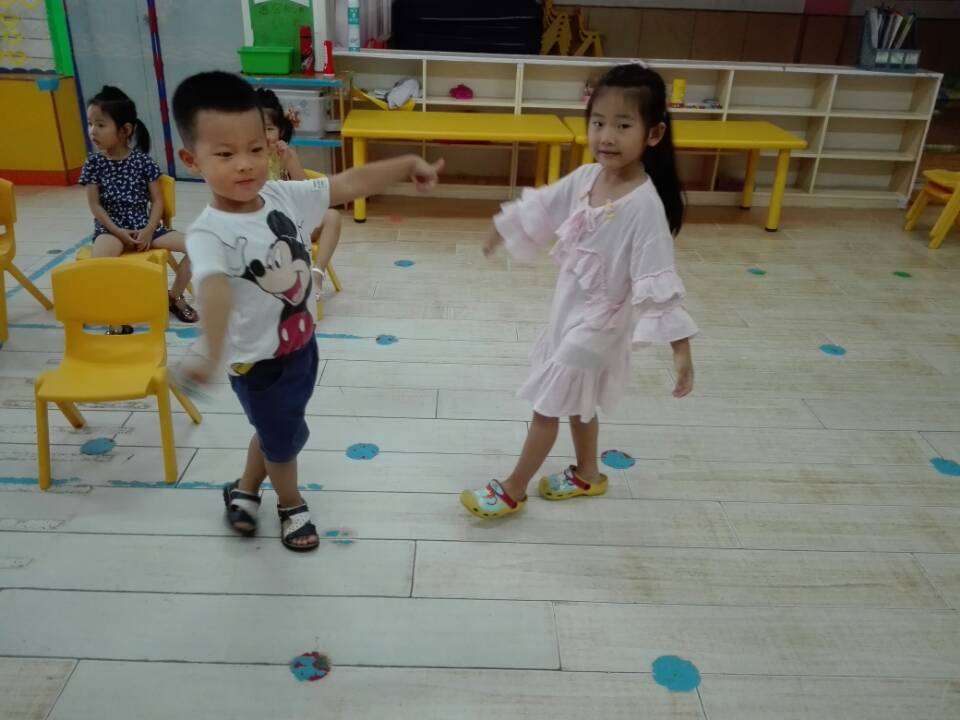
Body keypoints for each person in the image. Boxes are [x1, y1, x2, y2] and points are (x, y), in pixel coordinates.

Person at [173, 71, 443, 551]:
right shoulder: (208, 233)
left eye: (256, 149)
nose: (245, 164)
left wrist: (406, 162)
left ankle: (244, 489)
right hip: (259, 365)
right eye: (225, 154)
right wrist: (209, 354)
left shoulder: (280, 195)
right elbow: (212, 291)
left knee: (276, 430)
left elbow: (346, 183)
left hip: (301, 347)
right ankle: (291, 505)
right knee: (283, 441)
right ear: (191, 160)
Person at [461, 64, 698, 519]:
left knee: (549, 402)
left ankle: (513, 488)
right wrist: (500, 231)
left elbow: (658, 278)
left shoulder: (645, 207)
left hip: (602, 323)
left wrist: (680, 350)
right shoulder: (588, 177)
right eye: (598, 122)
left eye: (623, 126)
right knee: (578, 397)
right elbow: (544, 204)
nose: (606, 136)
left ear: (653, 134)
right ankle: (589, 473)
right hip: (569, 309)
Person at [80, 85, 196, 333]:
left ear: (125, 130)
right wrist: (118, 232)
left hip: (146, 229)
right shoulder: (93, 163)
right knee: (99, 266)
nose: (92, 131)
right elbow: (95, 205)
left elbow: (157, 201)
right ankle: (117, 320)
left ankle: (174, 296)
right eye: (90, 124)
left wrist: (149, 230)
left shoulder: (143, 161)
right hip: (110, 230)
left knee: (199, 247)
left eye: (100, 124)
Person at [255, 86, 341, 296]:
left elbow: (306, 193)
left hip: (295, 222)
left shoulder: (286, 154)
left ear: (280, 131)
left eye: (269, 129)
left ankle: (317, 274)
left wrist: (289, 161)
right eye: (256, 130)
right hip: (262, 227)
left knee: (332, 216)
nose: (264, 136)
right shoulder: (247, 160)